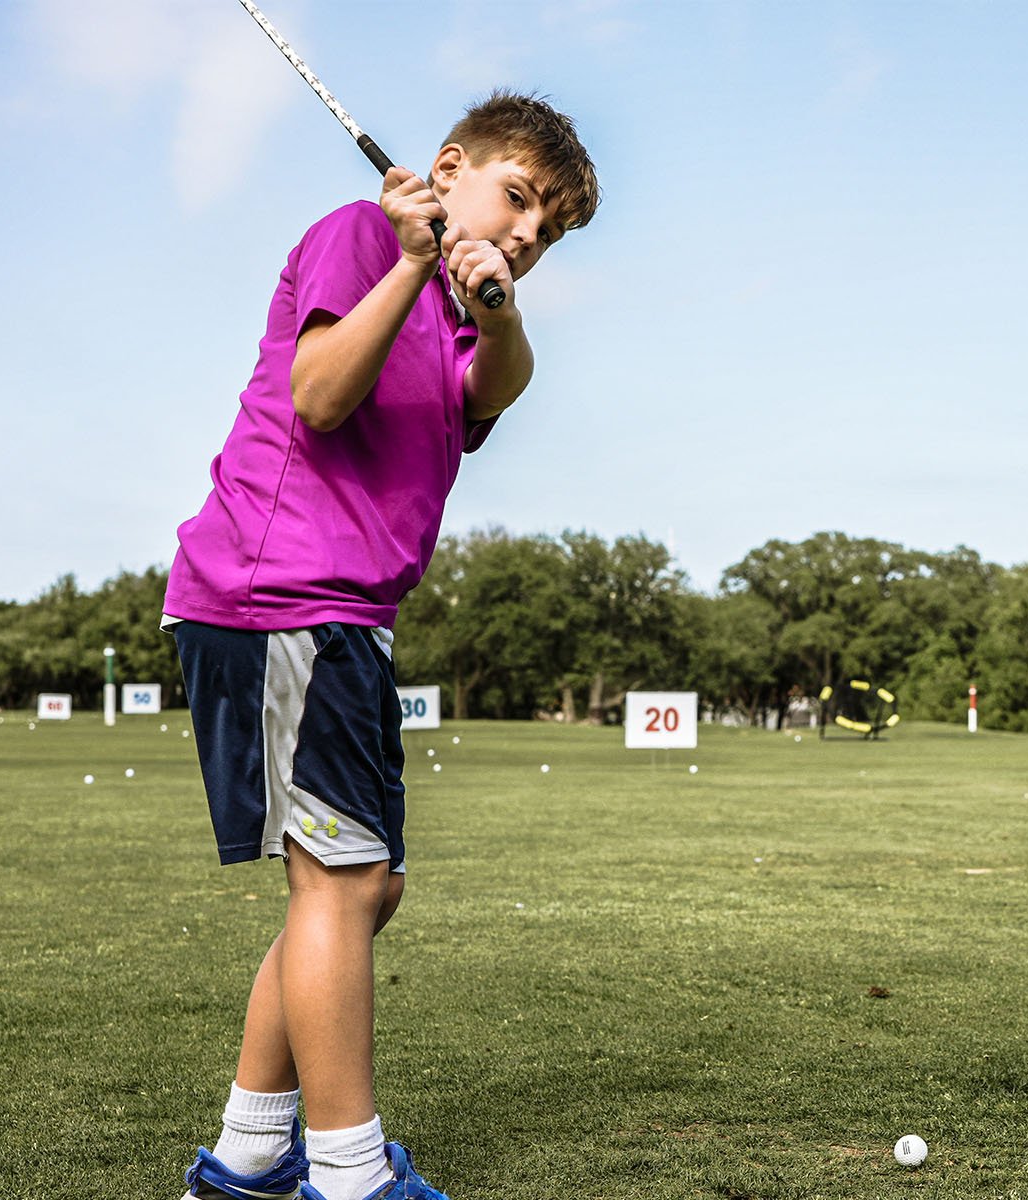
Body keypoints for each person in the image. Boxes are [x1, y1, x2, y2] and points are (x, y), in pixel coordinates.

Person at [163, 92, 599, 1200]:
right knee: (343, 884)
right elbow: (317, 396)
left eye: (547, 233)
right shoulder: (362, 236)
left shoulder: (468, 320)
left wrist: (493, 303)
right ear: (446, 171)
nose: (525, 235)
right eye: (516, 198)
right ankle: (351, 1176)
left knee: (366, 888)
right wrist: (411, 259)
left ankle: (251, 1154)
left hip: (343, 616)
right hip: (279, 596)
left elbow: (500, 384)